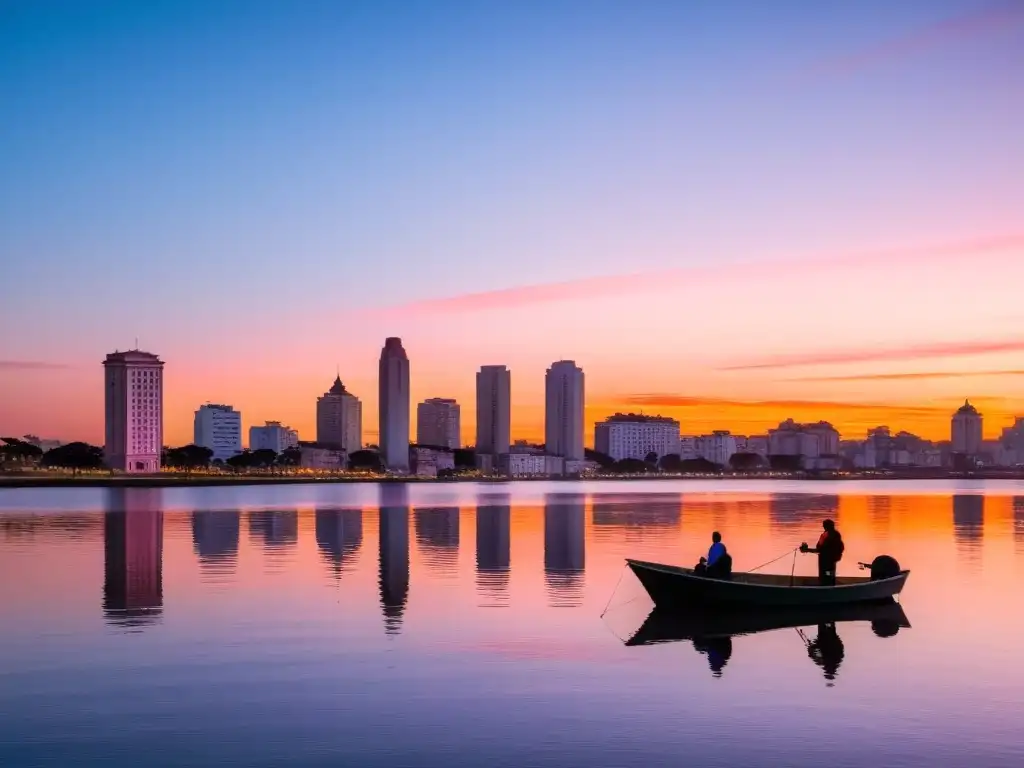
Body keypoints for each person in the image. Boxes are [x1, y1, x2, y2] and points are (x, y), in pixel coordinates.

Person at [800, 519, 844, 586]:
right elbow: (820, 549)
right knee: (830, 576)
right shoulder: (833, 534)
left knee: (826, 577)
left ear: (828, 526)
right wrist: (807, 550)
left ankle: (827, 589)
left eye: (824, 526)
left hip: (826, 561)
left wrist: (807, 550)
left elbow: (820, 549)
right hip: (829, 560)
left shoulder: (829, 535)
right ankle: (831, 587)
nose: (823, 527)